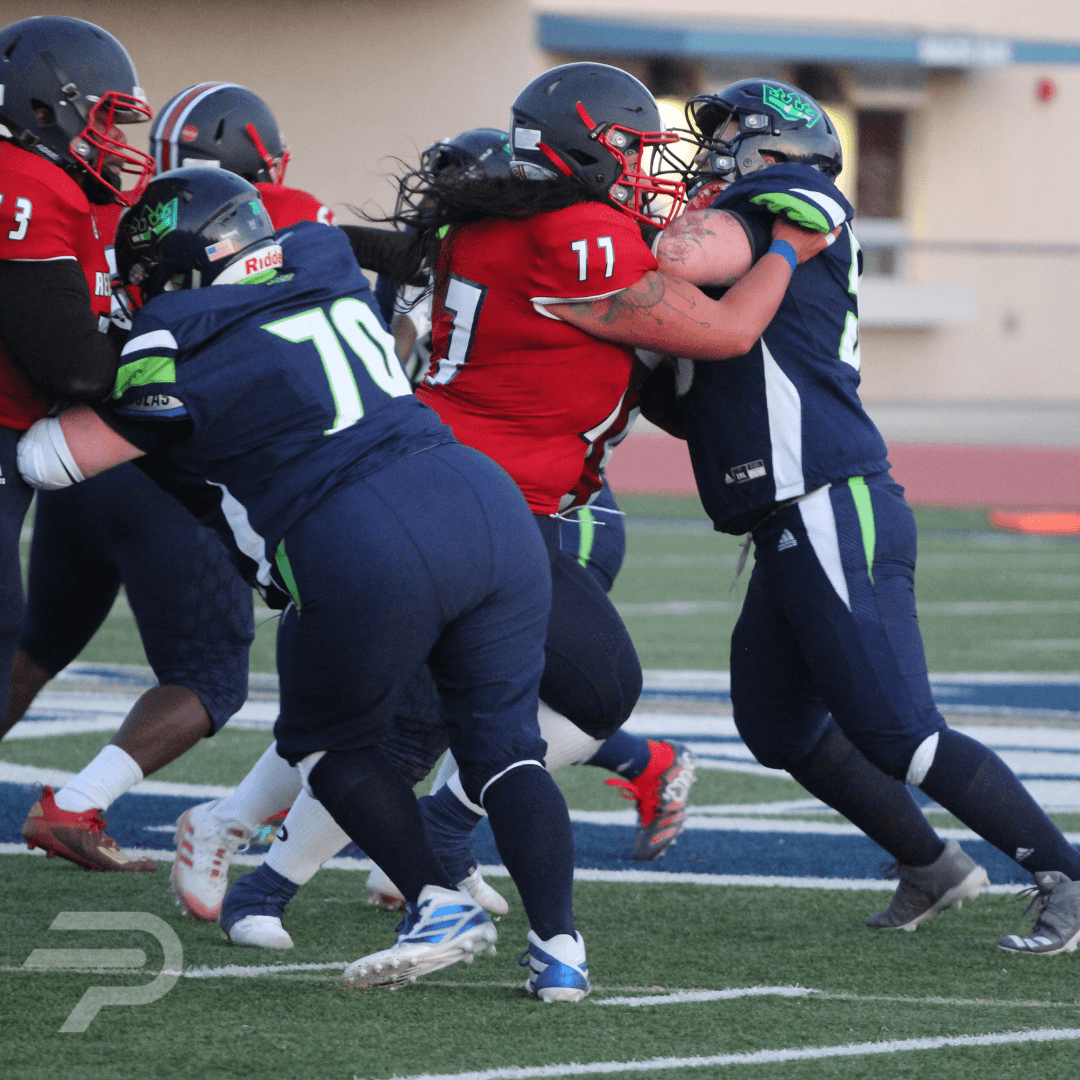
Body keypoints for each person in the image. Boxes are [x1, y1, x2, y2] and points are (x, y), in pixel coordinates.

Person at [17, 166, 593, 999]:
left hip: (361, 529)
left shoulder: (174, 328)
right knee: (506, 748)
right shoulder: (322, 256)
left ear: (176, 267)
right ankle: (561, 952)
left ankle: (436, 900)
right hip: (483, 498)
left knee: (330, 744)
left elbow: (56, 458)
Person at [649, 77, 1080, 953]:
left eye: (727, 135)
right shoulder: (752, 229)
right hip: (785, 514)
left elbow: (682, 260)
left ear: (776, 149)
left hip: (830, 499)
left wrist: (611, 241)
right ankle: (931, 863)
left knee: (899, 729)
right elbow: (692, 392)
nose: (709, 152)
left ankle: (1062, 872)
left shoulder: (798, 197)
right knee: (775, 724)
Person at [9, 83, 342, 876]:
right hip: (170, 464)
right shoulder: (288, 215)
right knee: (208, 678)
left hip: (85, 457)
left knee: (35, 644)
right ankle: (77, 803)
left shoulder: (114, 210)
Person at [0, 15, 166, 870]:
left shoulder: (54, 185)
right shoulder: (26, 179)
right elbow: (67, 362)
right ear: (45, 104)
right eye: (102, 117)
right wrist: (155, 370)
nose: (115, 140)